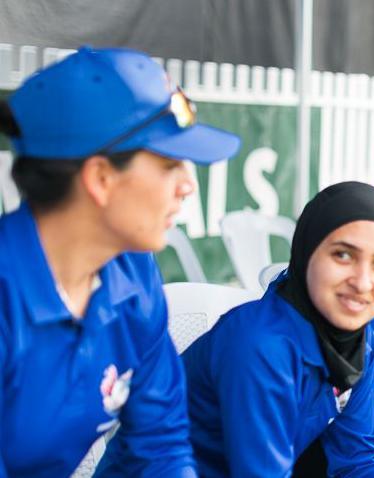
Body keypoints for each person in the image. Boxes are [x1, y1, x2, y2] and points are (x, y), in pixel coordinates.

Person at [0, 46, 240, 477]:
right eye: (170, 164)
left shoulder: (132, 273)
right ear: (101, 178)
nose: (188, 184)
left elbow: (160, 444)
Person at [182, 182, 374, 477]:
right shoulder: (260, 346)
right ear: (306, 252)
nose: (363, 282)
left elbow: (359, 458)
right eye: (343, 255)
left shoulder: (359, 339)